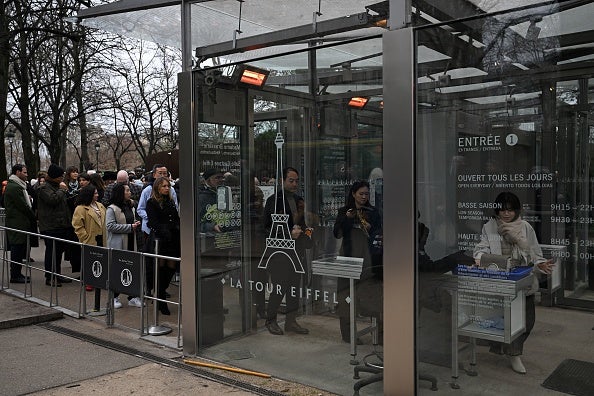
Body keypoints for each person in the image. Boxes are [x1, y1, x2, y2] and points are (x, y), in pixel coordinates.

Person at [473, 191, 554, 374]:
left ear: (516, 210)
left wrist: (541, 264)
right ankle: (512, 352)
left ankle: (512, 352)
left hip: (522, 278)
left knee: (526, 320)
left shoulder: (525, 227)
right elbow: (481, 248)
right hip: (500, 278)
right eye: (502, 210)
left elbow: (535, 253)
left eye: (510, 210)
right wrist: (480, 257)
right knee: (500, 320)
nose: (506, 214)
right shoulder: (490, 226)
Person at [263, 167, 311, 335]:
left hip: (296, 250)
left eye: (297, 180)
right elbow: (266, 228)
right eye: (291, 180)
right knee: (278, 288)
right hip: (280, 252)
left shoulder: (299, 199)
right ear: (282, 181)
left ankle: (291, 321)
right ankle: (271, 320)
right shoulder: (273, 200)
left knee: (293, 289)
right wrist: (288, 234)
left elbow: (304, 224)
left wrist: (308, 232)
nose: (294, 184)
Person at [333, 180, 382, 342]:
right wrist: (347, 218)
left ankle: (379, 334)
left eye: (366, 194)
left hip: (367, 259)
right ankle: (348, 334)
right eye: (361, 193)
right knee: (346, 296)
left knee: (371, 294)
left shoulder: (373, 212)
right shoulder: (344, 211)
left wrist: (370, 228)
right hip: (347, 258)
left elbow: (379, 234)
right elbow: (337, 233)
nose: (363, 197)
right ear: (353, 194)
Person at [146, 177, 180, 315]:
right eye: (164, 186)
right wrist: (166, 229)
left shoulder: (170, 201)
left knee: (171, 268)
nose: (167, 188)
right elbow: (153, 222)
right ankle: (160, 298)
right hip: (160, 240)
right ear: (157, 188)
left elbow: (176, 218)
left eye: (168, 186)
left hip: (173, 240)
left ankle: (160, 293)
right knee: (160, 269)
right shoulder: (152, 203)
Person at [37, 164, 75, 286]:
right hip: (50, 226)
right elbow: (52, 200)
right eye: (60, 176)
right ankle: (50, 277)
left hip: (61, 225)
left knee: (58, 253)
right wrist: (62, 190)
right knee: (51, 252)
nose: (62, 179)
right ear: (54, 177)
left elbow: (62, 204)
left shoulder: (57, 187)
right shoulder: (44, 188)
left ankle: (57, 275)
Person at [106, 183, 143, 308]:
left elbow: (129, 220)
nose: (130, 192)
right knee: (117, 270)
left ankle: (133, 297)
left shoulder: (130, 206)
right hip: (118, 244)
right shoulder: (112, 208)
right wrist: (129, 227)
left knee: (131, 269)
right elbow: (110, 226)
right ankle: (114, 297)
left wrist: (134, 223)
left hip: (131, 242)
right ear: (120, 193)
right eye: (127, 190)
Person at [3, 164, 37, 283]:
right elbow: (23, 206)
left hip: (19, 221)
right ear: (18, 172)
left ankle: (17, 274)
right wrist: (33, 217)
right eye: (24, 172)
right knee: (17, 249)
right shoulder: (14, 187)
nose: (26, 175)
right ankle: (15, 275)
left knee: (19, 248)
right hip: (17, 223)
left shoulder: (17, 185)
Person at [137, 164, 178, 250]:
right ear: (154, 175)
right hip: (150, 229)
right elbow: (140, 209)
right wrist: (152, 217)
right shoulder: (147, 190)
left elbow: (175, 207)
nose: (162, 176)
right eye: (160, 173)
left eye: (165, 173)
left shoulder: (171, 190)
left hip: (169, 229)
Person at [72, 185, 107, 250]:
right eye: (95, 193)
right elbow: (77, 225)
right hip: (90, 240)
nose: (97, 195)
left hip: (103, 239)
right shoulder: (80, 208)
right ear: (89, 194)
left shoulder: (100, 205)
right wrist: (85, 237)